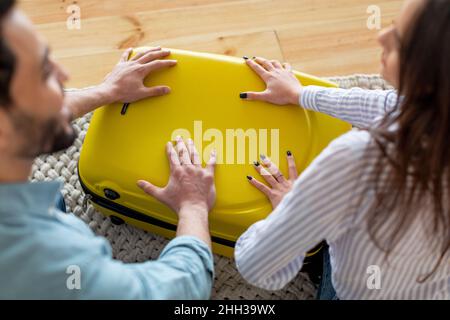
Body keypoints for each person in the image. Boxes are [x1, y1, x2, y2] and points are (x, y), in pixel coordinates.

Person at [0, 0, 216, 299]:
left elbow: (21, 117)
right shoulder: (51, 262)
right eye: (44, 72)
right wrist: (194, 207)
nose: (64, 76)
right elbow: (181, 290)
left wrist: (107, 90)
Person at [235, 0, 450, 299]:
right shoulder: (435, 107)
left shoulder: (357, 160)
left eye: (400, 38)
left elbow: (257, 265)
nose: (380, 36)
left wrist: (293, 206)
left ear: (429, 79)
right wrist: (301, 94)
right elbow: (390, 106)